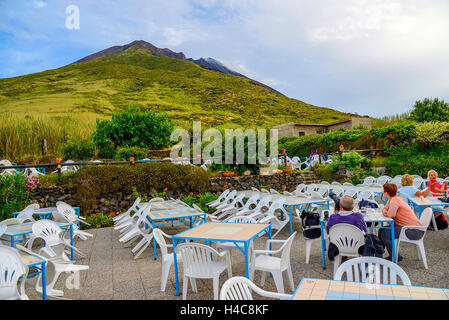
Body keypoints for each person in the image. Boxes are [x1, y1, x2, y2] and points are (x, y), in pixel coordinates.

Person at [379, 183, 425, 261]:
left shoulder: (394, 200)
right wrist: (385, 211)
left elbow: (391, 215)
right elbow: (384, 209)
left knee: (385, 234)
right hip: (409, 228)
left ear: (386, 193)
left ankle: (394, 257)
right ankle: (379, 254)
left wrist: (385, 212)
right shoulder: (394, 199)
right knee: (381, 229)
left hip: (414, 231)